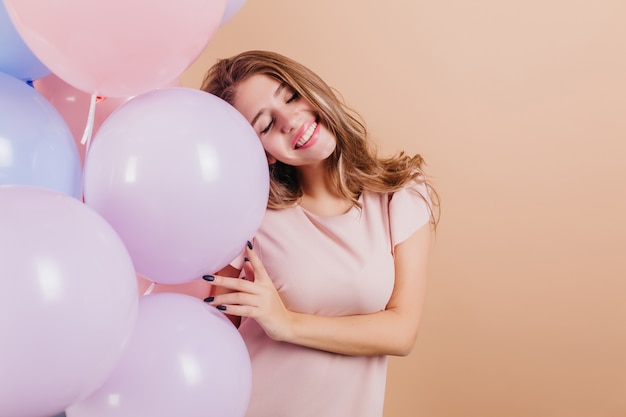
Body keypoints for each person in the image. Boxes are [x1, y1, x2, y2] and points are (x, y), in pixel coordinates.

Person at [200, 50, 439, 417]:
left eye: (292, 96)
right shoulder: (249, 218)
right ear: (262, 153)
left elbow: (402, 331)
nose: (291, 121)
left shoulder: (400, 195)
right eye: (265, 125)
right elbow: (214, 346)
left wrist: (288, 324)